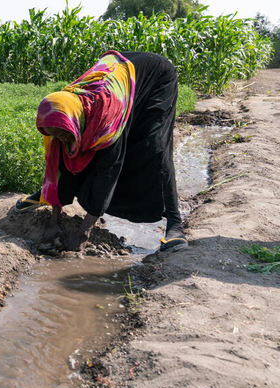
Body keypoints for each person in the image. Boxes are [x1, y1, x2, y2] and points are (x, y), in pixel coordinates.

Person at [15, 50, 188, 253]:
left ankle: (175, 223)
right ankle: (47, 195)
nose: (60, 138)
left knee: (155, 146)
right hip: (120, 71)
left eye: (63, 134)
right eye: (55, 134)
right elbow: (58, 166)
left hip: (155, 77)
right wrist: (54, 217)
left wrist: (83, 232)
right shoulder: (64, 112)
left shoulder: (105, 119)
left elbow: (108, 173)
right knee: (73, 149)